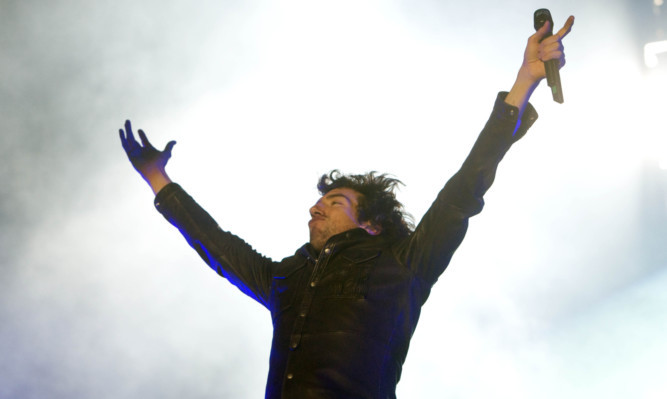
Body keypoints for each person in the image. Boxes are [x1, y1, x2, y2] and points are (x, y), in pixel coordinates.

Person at [120, 16, 574, 399]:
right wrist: (157, 178)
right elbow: (217, 246)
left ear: (373, 224)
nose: (316, 210)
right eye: (317, 202)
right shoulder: (287, 279)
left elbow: (465, 188)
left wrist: (524, 82)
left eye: (334, 202)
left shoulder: (403, 264)